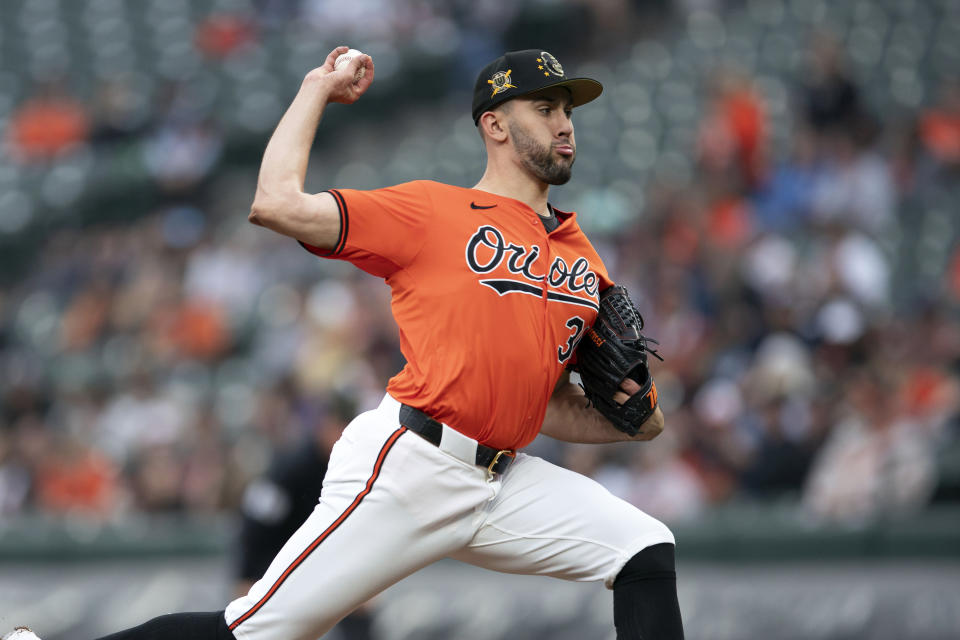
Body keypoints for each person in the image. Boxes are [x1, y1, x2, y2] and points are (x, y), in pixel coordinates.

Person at [6, 46, 683, 640]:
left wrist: (635, 414)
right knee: (259, 629)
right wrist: (316, 90)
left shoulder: (582, 257)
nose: (565, 123)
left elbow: (571, 409)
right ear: (496, 124)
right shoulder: (430, 210)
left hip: (502, 479)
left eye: (568, 108)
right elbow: (274, 201)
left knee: (644, 547)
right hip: (412, 463)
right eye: (544, 106)